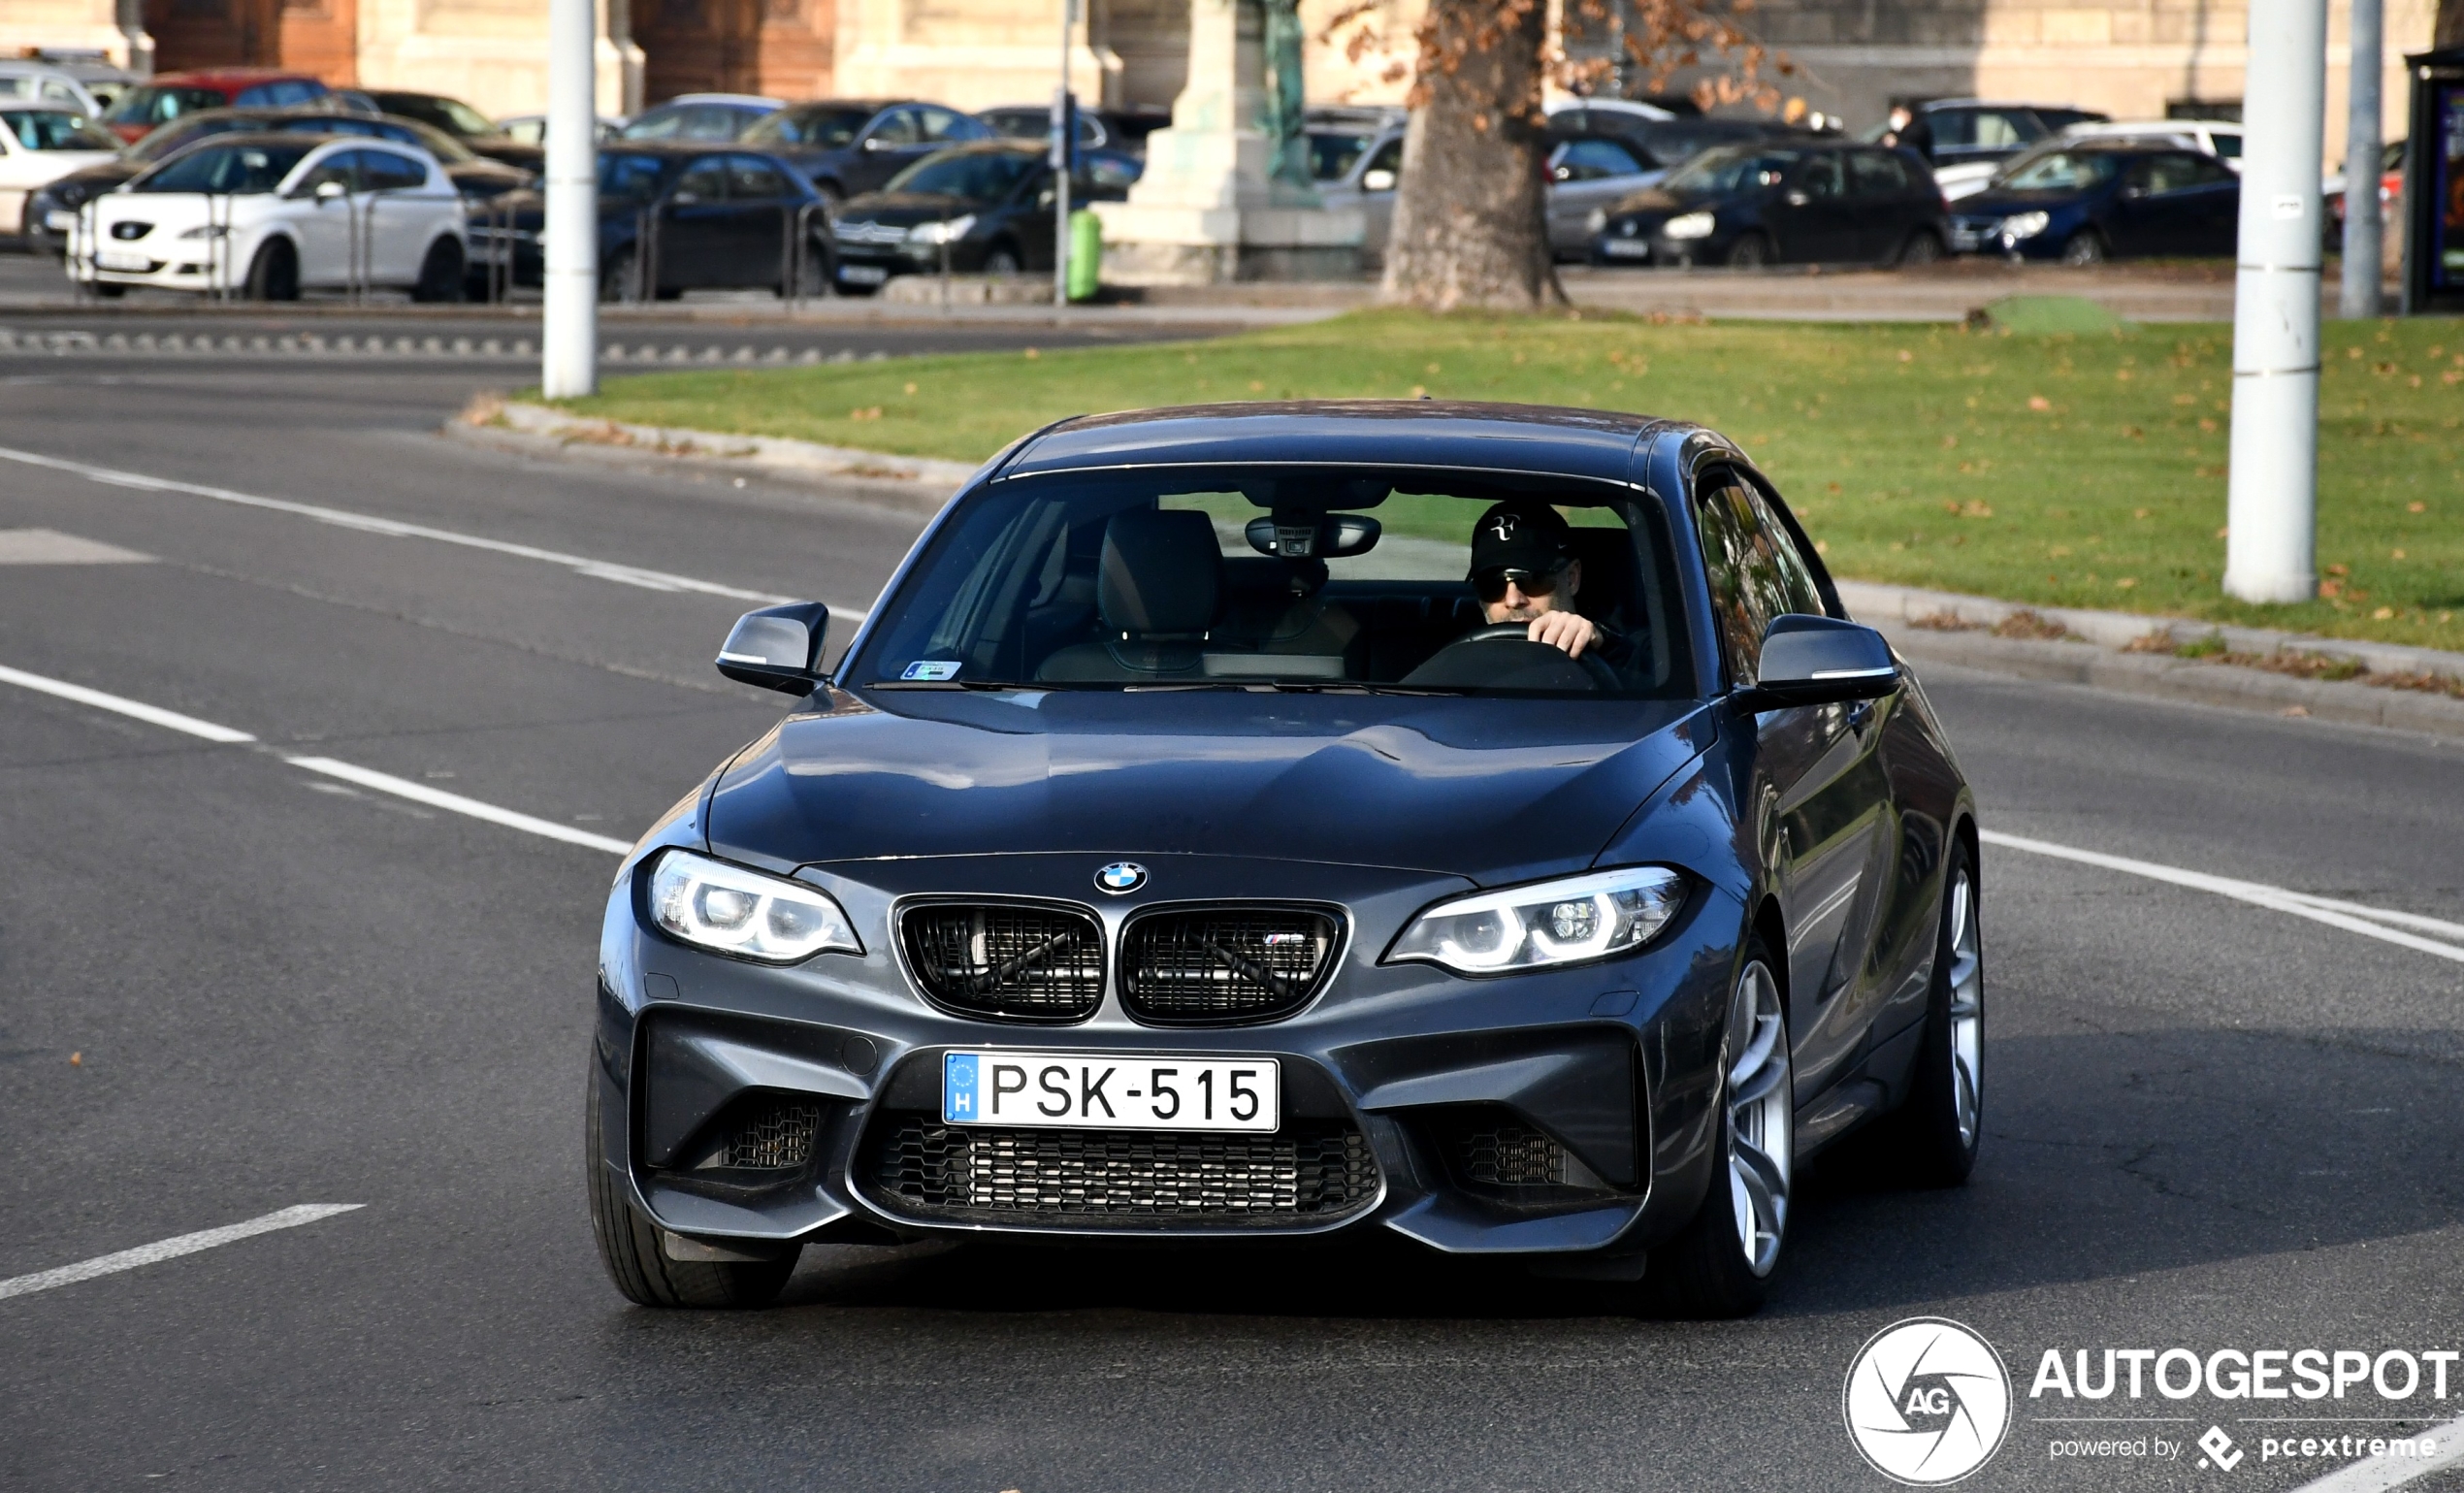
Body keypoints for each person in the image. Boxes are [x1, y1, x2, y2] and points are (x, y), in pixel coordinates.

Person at [1467, 500, 1629, 665]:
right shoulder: (1459, 660)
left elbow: (1643, 667)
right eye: (1491, 585)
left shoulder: (1625, 649)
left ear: (1572, 578)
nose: (1513, 600)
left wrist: (1602, 646)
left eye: (1534, 580)